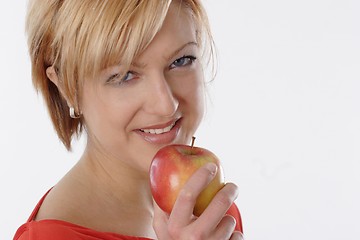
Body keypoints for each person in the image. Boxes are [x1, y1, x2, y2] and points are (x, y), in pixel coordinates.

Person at [14, 0, 244, 239]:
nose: (166, 105)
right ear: (66, 87)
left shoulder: (209, 211)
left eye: (181, 61)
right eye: (124, 75)